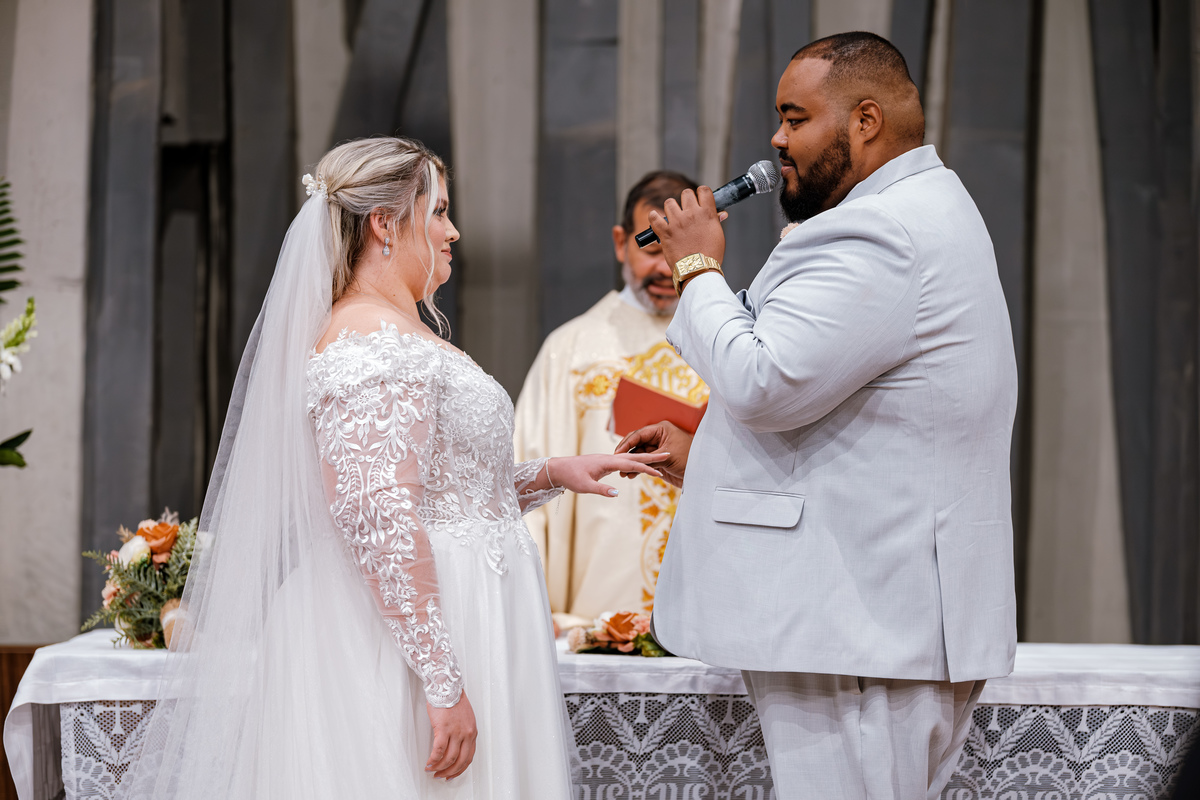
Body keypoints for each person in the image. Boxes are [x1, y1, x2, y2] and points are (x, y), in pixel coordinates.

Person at [121, 137, 664, 799]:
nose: (452, 230)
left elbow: (446, 494)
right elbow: (375, 510)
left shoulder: (392, 332)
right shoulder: (369, 341)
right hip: (408, 636)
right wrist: (441, 680)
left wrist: (550, 472)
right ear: (384, 223)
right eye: (438, 211)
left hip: (462, 610)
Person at [617, 32, 1018, 800]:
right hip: (877, 619)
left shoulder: (878, 232)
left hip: (860, 625)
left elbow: (764, 382)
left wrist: (698, 264)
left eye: (794, 118)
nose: (776, 140)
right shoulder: (927, 206)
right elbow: (859, 409)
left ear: (865, 121)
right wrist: (709, 455)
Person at [514, 171, 708, 629]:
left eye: (676, 250)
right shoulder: (573, 349)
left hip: (711, 597)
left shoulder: (727, 339)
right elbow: (529, 466)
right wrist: (530, 606)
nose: (665, 267)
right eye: (651, 248)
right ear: (621, 243)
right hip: (599, 608)